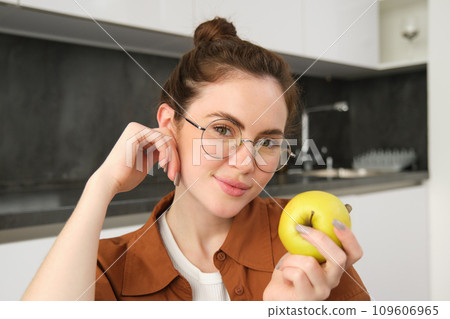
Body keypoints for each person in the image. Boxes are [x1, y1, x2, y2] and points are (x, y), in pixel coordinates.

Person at [22, 17, 369, 301]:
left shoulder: (309, 246)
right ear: (167, 126)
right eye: (221, 130)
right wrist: (101, 185)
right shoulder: (103, 268)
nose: (246, 163)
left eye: (267, 142)